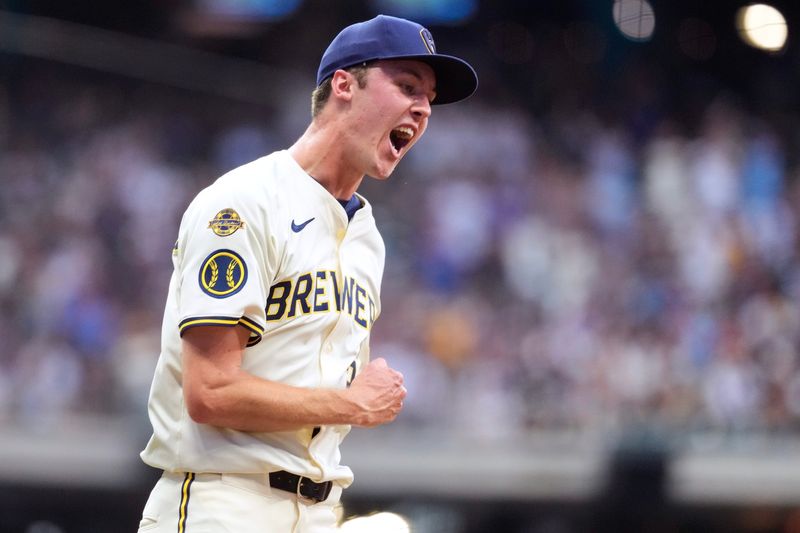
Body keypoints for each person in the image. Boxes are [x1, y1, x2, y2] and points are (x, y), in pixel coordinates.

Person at [137, 14, 477, 533]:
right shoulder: (244, 202)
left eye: (428, 98)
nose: (423, 108)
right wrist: (352, 403)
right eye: (407, 85)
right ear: (344, 84)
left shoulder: (368, 236)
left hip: (318, 508)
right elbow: (210, 392)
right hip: (223, 502)